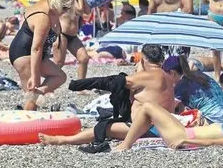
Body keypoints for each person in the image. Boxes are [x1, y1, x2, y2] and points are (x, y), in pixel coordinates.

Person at [39, 44, 175, 148]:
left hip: (148, 129)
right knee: (110, 120)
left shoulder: (146, 76)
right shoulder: (167, 77)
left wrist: (77, 84)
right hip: (167, 126)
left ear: (144, 60)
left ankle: (61, 140)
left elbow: (109, 82)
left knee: (103, 127)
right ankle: (73, 137)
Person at [9, 0, 74, 110]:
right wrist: (34, 76)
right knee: (32, 96)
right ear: (60, 5)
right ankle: (27, 123)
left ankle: (38, 93)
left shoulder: (50, 5)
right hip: (24, 53)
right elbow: (36, 48)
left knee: (59, 76)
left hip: (36, 53)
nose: (66, 12)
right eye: (65, 9)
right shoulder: (43, 18)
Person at [113, 101, 223, 151]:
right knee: (149, 110)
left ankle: (125, 145)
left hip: (182, 136)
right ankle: (128, 139)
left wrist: (185, 141)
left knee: (148, 106)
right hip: (184, 132)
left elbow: (213, 142)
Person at [163, 55, 223, 125]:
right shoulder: (199, 75)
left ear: (172, 73)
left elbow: (169, 109)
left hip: (217, 122)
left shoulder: (181, 85)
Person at [58, 0, 92, 80]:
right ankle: (44, 85)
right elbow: (79, 10)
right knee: (58, 62)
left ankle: (80, 87)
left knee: (84, 58)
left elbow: (87, 12)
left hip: (73, 36)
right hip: (61, 34)